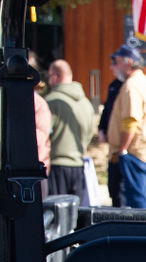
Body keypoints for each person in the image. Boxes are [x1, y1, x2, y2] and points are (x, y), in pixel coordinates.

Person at [108, 44, 146, 209]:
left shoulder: (133, 86)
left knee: (137, 204)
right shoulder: (141, 81)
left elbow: (131, 121)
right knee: (137, 199)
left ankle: (143, 233)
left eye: (117, 63)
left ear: (128, 62)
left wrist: (122, 150)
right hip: (140, 152)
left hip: (134, 154)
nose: (114, 68)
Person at [44, 59, 96, 203]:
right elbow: (89, 133)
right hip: (79, 165)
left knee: (56, 218)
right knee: (75, 216)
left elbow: (43, 134)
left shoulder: (52, 102)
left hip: (56, 166)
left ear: (55, 77)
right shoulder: (86, 103)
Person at [98, 50, 126, 205]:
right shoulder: (113, 86)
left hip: (126, 145)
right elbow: (107, 109)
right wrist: (101, 128)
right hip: (114, 145)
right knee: (114, 187)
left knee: (125, 189)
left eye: (114, 64)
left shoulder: (130, 86)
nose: (112, 67)